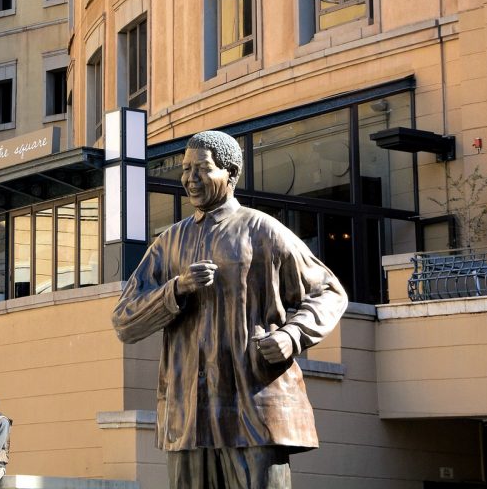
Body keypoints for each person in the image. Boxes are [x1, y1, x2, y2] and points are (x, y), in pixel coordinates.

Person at [112, 130, 347, 489]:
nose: (190, 178)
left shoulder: (263, 231)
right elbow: (125, 321)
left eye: (201, 168)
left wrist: (293, 335)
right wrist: (175, 289)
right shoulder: (170, 242)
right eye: (185, 169)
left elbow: (329, 291)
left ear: (231, 173)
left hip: (253, 408)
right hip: (189, 414)